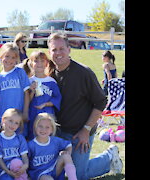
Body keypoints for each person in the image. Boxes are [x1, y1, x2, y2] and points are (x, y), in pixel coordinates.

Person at [47, 33, 123, 179]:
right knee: (58, 172)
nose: (58, 53)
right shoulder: (49, 73)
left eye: (61, 48)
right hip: (58, 132)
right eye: (54, 50)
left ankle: (108, 157)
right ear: (49, 52)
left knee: (79, 175)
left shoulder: (84, 72)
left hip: (80, 132)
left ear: (69, 49)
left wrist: (86, 130)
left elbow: (101, 102)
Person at [0, 42, 30, 137]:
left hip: (19, 116)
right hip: (5, 117)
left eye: (13, 57)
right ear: (1, 56)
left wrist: (25, 112)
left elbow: (26, 93)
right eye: (7, 56)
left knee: (20, 141)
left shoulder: (20, 72)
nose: (10, 60)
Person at [24, 51, 62, 140]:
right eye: (36, 61)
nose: (39, 64)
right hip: (33, 113)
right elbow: (26, 101)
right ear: (31, 63)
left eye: (42, 61)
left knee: (48, 135)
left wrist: (45, 104)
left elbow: (57, 98)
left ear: (46, 63)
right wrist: (32, 91)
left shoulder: (51, 81)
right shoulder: (29, 81)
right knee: (33, 134)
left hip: (48, 113)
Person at [28, 113, 77, 180]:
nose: (43, 130)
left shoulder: (55, 141)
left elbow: (68, 145)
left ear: (52, 129)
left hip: (54, 169)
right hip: (40, 174)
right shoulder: (31, 145)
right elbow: (26, 161)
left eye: (47, 127)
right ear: (35, 127)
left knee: (66, 156)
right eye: (40, 126)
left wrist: (67, 152)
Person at [0, 108, 29, 180]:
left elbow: (24, 156)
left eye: (16, 123)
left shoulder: (20, 138)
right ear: (3, 120)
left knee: (17, 162)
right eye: (10, 121)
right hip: (4, 171)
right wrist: (8, 172)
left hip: (18, 170)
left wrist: (25, 165)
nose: (13, 125)